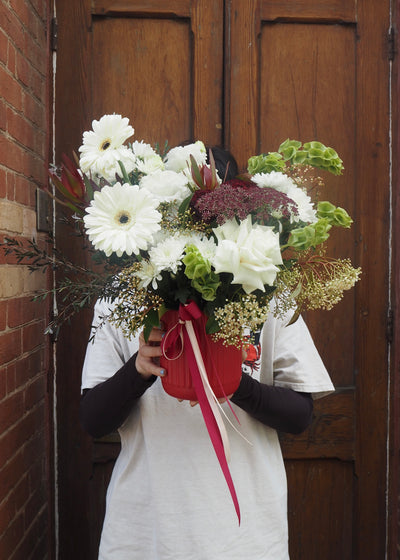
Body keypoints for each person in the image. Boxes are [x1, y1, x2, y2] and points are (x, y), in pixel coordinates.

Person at [79, 147, 334, 559]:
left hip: (246, 537)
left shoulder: (269, 291)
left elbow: (300, 415)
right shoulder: (119, 296)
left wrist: (232, 381)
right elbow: (93, 420)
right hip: (146, 534)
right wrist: (141, 369)